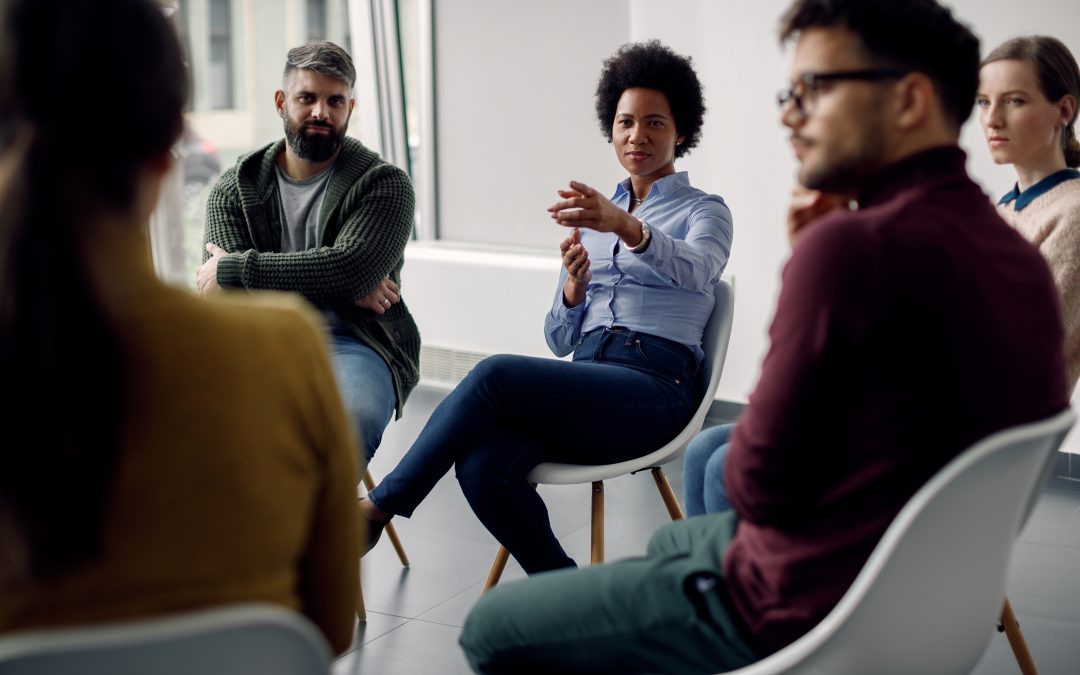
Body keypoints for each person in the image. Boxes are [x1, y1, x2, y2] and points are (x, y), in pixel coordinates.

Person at [458, 1, 1070, 672]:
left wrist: (813, 265)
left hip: (797, 599)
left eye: (815, 89)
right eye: (789, 92)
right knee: (673, 544)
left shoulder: (849, 248)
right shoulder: (1013, 251)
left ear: (911, 100)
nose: (789, 113)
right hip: (919, 589)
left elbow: (756, 481)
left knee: (491, 627)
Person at [0, 0, 359, 654]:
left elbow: (316, 267)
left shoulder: (374, 184)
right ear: (167, 154)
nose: (320, 113)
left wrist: (250, 269)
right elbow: (327, 627)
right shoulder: (282, 353)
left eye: (335, 101)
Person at [359, 40, 732, 575]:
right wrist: (572, 295)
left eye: (654, 122)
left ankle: (378, 507)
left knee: (495, 376)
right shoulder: (594, 217)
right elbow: (558, 341)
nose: (637, 136)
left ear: (681, 131)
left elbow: (700, 270)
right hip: (592, 382)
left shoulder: (706, 212)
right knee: (484, 466)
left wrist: (625, 226)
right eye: (625, 122)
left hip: (657, 391)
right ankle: (567, 590)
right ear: (611, 128)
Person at [196, 40, 419, 465]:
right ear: (282, 102)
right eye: (307, 97)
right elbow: (220, 298)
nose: (321, 112)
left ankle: (318, 526)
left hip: (354, 343)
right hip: (258, 345)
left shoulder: (385, 185)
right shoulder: (233, 186)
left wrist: (237, 269)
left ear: (350, 108)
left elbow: (349, 270)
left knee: (345, 422)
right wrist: (335, 281)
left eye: (335, 101)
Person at [977, 35, 1080, 389]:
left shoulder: (1074, 214)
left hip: (1001, 434)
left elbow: (1023, 351)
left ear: (1064, 110)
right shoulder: (997, 211)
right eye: (983, 102)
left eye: (1014, 101)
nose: (992, 119)